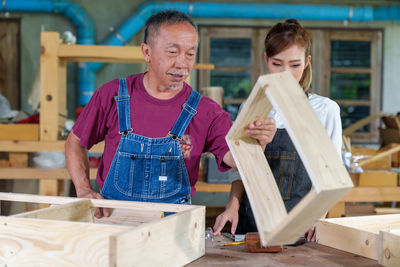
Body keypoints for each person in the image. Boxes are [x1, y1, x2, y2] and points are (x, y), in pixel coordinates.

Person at [65, 10, 276, 218]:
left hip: (172, 229)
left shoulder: (207, 112)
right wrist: (83, 189)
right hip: (113, 221)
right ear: (147, 52)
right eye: (173, 52)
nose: (182, 63)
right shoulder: (112, 95)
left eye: (190, 54)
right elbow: (75, 141)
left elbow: (236, 160)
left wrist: (258, 143)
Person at [213, 19, 342, 243]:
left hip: (300, 226)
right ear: (266, 60)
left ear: (307, 62)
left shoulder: (325, 110)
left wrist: (317, 218)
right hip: (251, 224)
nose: (285, 73)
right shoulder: (252, 107)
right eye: (277, 63)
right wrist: (231, 207)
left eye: (294, 65)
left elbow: (332, 177)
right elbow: (241, 169)